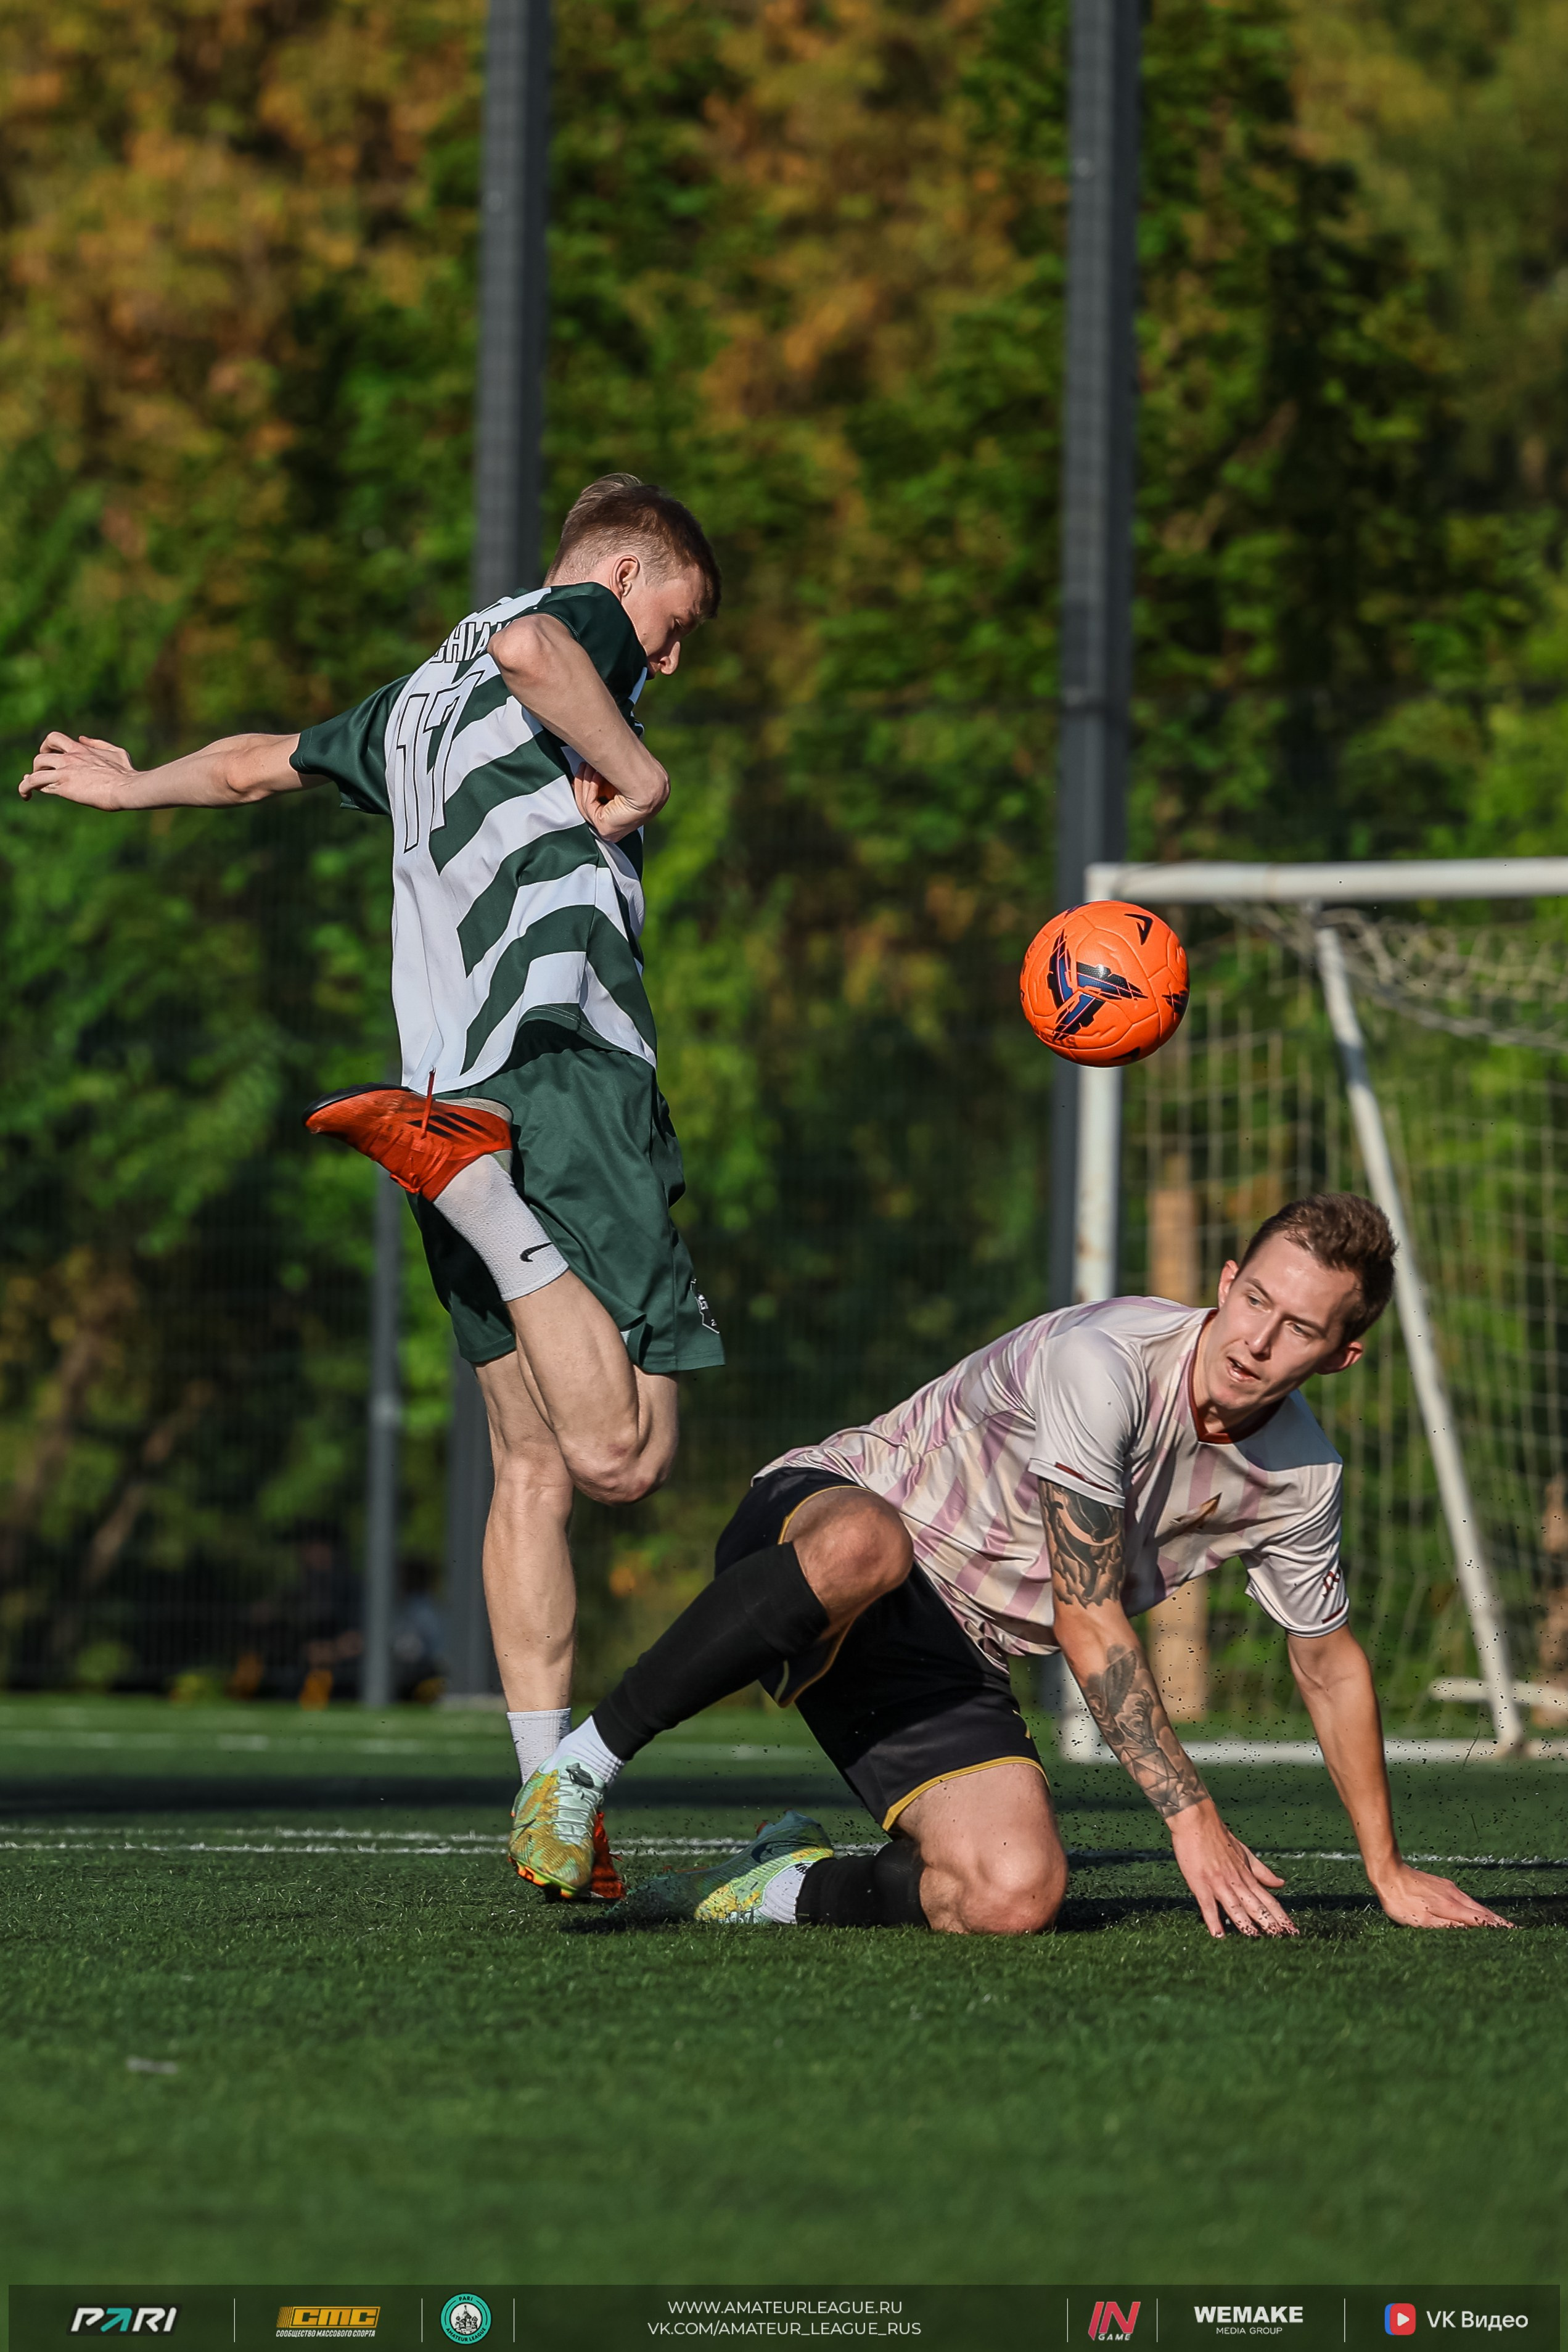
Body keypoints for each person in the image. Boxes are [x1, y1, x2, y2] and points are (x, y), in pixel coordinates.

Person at [18, 474, 726, 1897]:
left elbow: (252, 766)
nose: (669, 654)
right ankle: (484, 1200)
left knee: (529, 1468)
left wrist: (131, 783)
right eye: (676, 619)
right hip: (563, 1063)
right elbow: (538, 644)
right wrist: (641, 777)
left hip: (451, 1086)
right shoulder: (563, 627)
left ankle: (548, 1800)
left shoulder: (414, 701)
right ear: (625, 571)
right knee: (628, 1450)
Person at [509, 1192, 1513, 1936]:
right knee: (869, 1542)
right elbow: (1086, 1614)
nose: (1257, 1338)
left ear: (1340, 1355)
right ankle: (577, 1769)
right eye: (1255, 1298)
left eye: (1299, 1328)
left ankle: (775, 1883)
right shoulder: (1106, 1363)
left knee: (1013, 1892)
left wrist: (1385, 1868)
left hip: (951, 1648)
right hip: (825, 1525)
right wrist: (1192, 1816)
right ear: (1224, 1282)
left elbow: (1327, 1664)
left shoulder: (1302, 1476)